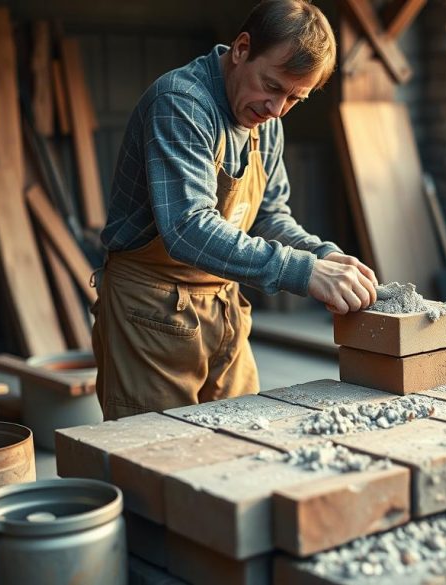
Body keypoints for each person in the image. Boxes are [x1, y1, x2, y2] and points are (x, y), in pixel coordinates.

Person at [92, 0, 377, 420]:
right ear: (242, 49)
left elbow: (269, 217)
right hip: (150, 315)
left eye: (296, 98)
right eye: (273, 86)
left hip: (222, 307)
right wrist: (302, 272)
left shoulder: (268, 121)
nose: (277, 109)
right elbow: (188, 227)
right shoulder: (182, 103)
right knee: (159, 458)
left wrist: (323, 256)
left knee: (243, 443)